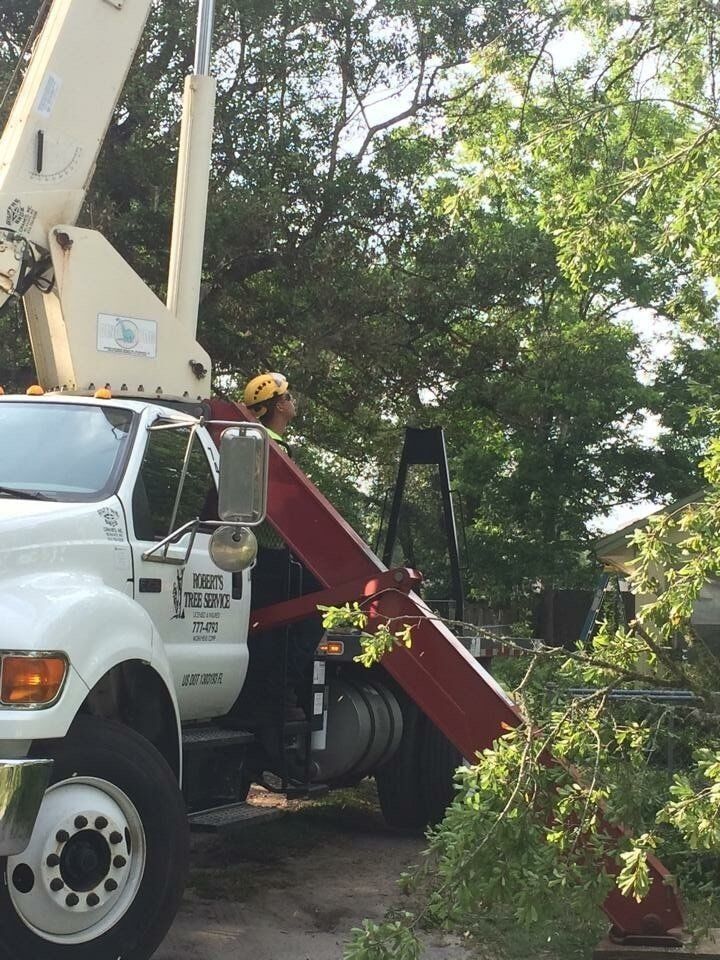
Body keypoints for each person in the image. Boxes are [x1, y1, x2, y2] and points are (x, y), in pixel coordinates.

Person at [235, 372, 322, 730]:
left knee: (268, 632)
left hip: (255, 554)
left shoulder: (252, 441)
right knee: (319, 603)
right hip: (269, 553)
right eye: (287, 396)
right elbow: (287, 507)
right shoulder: (270, 445)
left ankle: (273, 691)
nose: (292, 401)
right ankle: (281, 689)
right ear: (277, 406)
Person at [242, 372, 297, 449]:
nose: (293, 401)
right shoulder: (274, 445)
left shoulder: (258, 437)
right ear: (279, 406)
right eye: (288, 397)